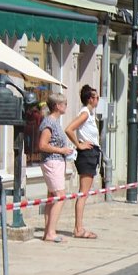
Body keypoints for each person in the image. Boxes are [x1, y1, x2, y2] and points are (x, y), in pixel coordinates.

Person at [63, 85, 101, 240]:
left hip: (91, 154)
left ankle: (79, 227)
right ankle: (78, 228)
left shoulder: (89, 114)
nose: (98, 100)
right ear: (90, 99)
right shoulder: (85, 113)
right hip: (87, 155)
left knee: (84, 193)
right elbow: (69, 129)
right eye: (96, 97)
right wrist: (79, 145)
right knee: (83, 193)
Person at [37, 93, 75, 243]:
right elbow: (42, 145)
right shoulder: (49, 122)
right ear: (58, 106)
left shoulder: (55, 122)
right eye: (64, 103)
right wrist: (62, 150)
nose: (66, 106)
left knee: (52, 197)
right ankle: (51, 233)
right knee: (60, 196)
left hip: (57, 161)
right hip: (52, 161)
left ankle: (48, 231)